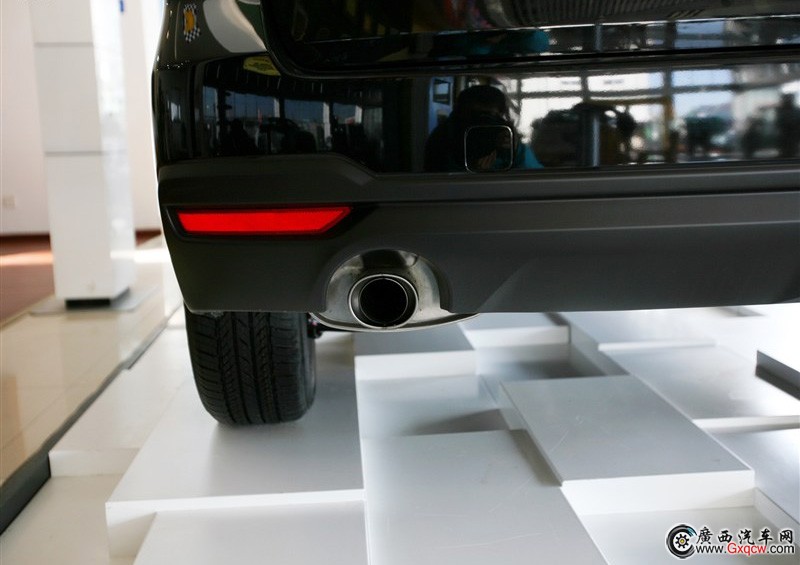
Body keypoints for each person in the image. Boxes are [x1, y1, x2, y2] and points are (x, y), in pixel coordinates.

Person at [424, 84, 542, 172]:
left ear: (500, 117)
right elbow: (434, 179)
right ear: (459, 114)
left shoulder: (505, 136)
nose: (480, 124)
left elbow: (534, 177)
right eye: (473, 116)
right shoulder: (444, 136)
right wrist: (468, 173)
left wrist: (515, 151)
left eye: (488, 117)